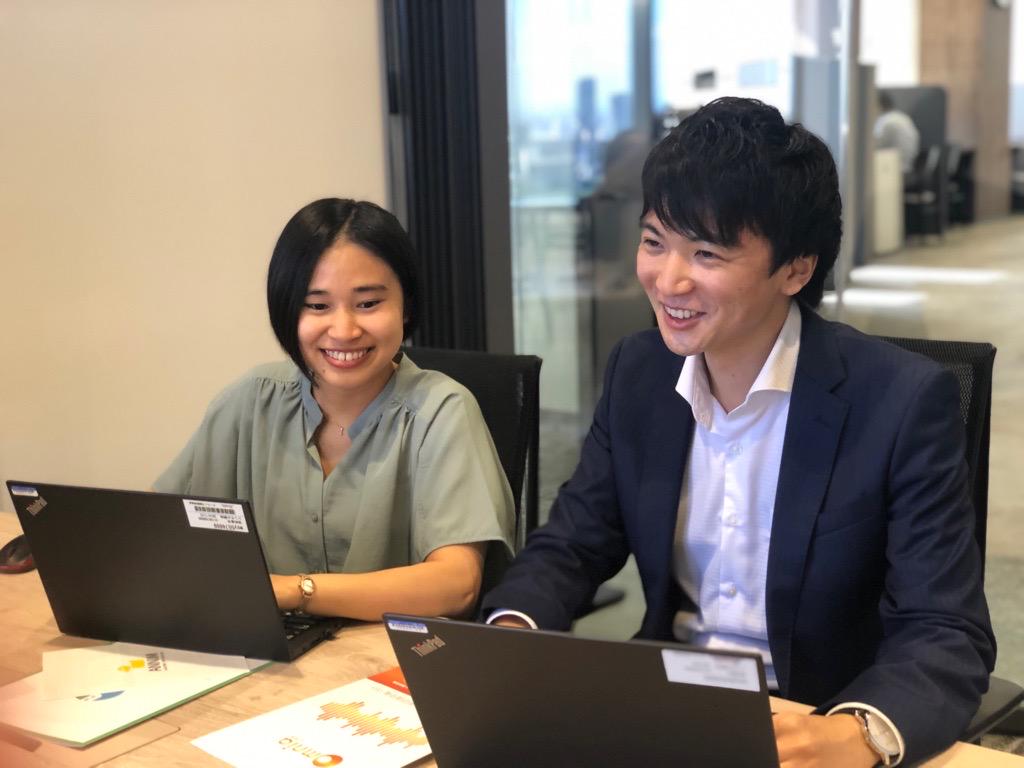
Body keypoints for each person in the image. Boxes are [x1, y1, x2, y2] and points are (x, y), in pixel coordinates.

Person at [481, 98, 994, 767]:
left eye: (706, 252)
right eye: (654, 241)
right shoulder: (640, 371)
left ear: (796, 269)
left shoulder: (898, 401)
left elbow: (945, 629)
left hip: (815, 720)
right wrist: (512, 631)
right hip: (665, 711)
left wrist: (857, 733)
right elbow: (573, 544)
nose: (668, 280)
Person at [155, 198, 514, 621]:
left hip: (391, 656)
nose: (344, 330)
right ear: (287, 310)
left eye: (368, 303)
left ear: (407, 306)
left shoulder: (441, 411)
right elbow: (156, 532)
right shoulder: (250, 401)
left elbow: (456, 585)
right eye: (317, 305)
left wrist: (295, 590)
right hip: (268, 650)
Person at [875, 90, 920, 173]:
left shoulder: (887, 122)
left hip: (896, 170)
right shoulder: (901, 117)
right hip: (907, 167)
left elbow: (876, 147)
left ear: (878, 105)